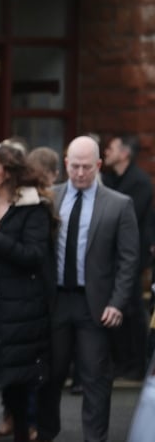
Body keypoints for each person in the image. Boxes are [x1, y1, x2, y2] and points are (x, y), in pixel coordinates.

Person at [35, 135, 139, 442]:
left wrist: (118, 303)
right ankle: (45, 432)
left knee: (95, 377)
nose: (80, 173)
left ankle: (95, 438)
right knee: (50, 374)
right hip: (55, 301)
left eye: (87, 167)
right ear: (66, 164)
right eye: (75, 166)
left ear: (99, 166)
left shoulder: (119, 205)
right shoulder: (50, 198)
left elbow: (129, 259)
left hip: (94, 304)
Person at [0, 142, 56, 442]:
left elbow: (34, 255)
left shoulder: (34, 208)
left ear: (6, 173)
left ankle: (21, 430)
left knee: (18, 379)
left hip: (20, 308)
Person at [102, 134, 153, 380]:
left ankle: (136, 363)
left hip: (132, 255)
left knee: (132, 309)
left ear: (125, 154)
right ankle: (123, 362)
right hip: (112, 255)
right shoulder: (111, 178)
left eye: (111, 148)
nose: (106, 152)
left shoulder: (139, 182)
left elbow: (128, 216)